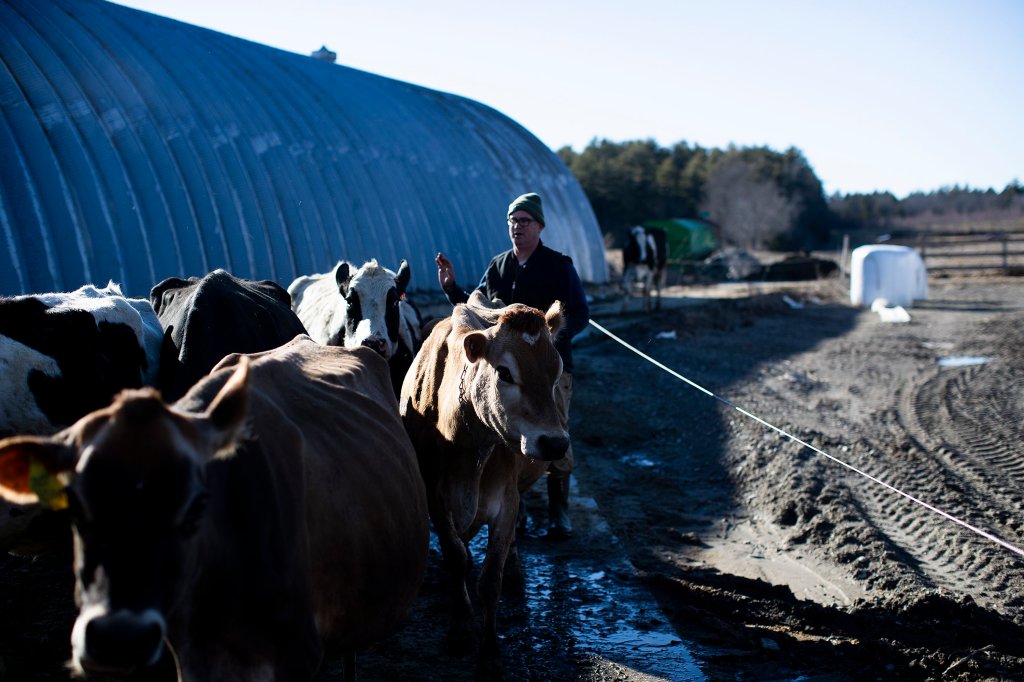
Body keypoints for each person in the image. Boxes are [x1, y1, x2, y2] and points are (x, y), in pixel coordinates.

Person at [435, 191, 590, 540]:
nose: (517, 227)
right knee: (504, 435)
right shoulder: (498, 265)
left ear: (539, 226)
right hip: (509, 373)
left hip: (548, 371)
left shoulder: (558, 266)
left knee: (555, 430)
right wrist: (451, 289)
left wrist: (553, 343)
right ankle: (510, 503)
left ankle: (558, 511)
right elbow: (479, 311)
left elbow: (579, 313)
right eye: (513, 221)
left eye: (525, 221)